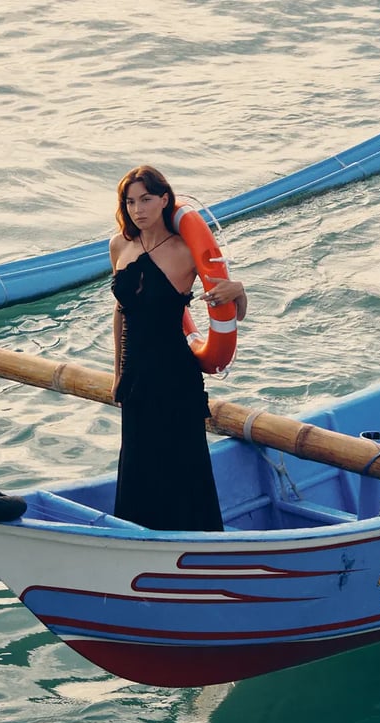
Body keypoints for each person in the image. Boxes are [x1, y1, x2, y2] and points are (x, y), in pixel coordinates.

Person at [109, 165, 247, 531]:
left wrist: (240, 291)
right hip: (136, 375)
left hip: (174, 374)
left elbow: (232, 312)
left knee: (182, 465)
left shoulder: (185, 250)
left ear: (164, 200)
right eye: (131, 201)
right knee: (138, 463)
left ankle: (197, 548)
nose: (138, 209)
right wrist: (118, 373)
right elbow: (121, 312)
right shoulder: (119, 245)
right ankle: (139, 542)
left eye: (146, 199)